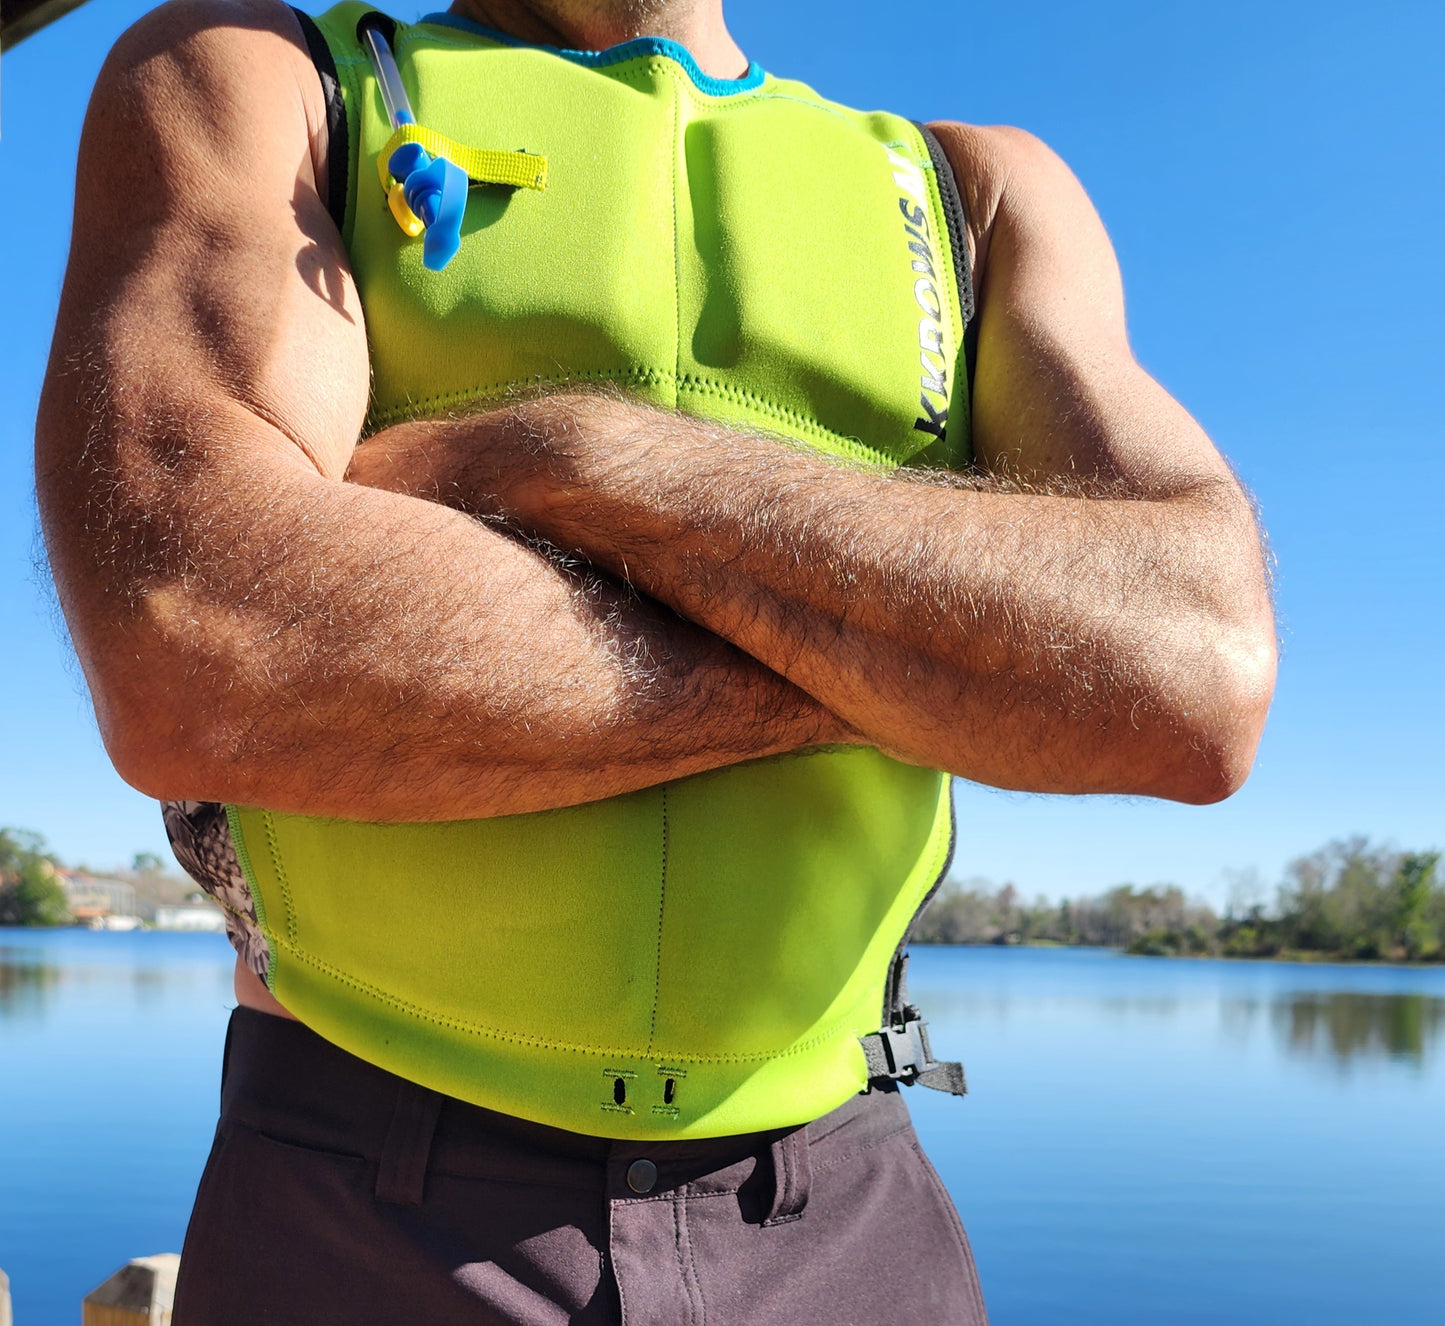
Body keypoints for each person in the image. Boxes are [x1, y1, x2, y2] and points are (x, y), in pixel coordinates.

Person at [35, 0, 1277, 1320]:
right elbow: (197, 631)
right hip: (369, 1195)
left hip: (842, 1199)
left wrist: (556, 464)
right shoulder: (268, 80)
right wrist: (920, 664)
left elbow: (1188, 673)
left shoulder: (975, 194)